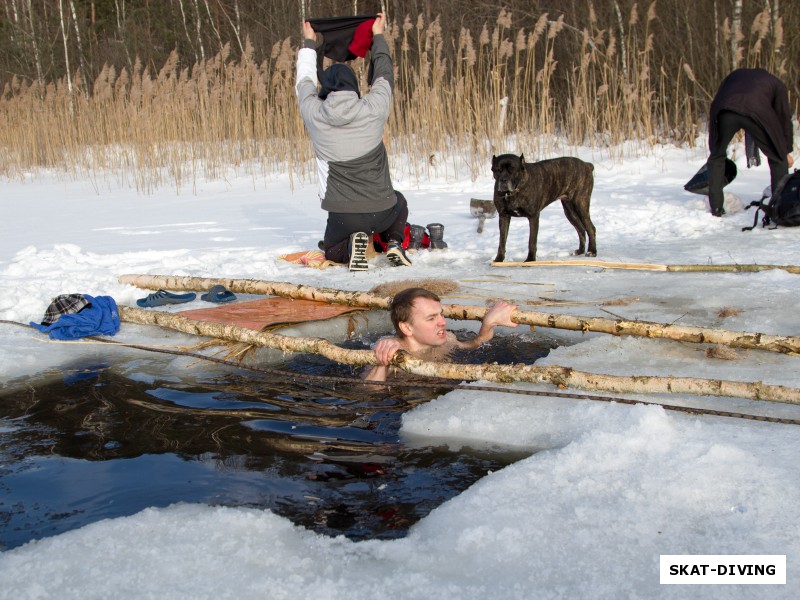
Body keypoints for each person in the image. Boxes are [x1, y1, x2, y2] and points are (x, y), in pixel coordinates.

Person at [296, 13, 412, 271]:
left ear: (324, 88)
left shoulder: (314, 115)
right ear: (355, 87)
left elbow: (303, 81)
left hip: (343, 216)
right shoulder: (373, 109)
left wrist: (309, 44)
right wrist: (378, 36)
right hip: (382, 210)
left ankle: (350, 247)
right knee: (400, 201)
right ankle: (394, 243)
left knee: (331, 249)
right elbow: (383, 74)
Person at [364, 287, 519, 382]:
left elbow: (475, 344)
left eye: (441, 314)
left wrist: (489, 323)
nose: (443, 322)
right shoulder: (396, 351)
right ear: (407, 328)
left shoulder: (448, 340)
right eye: (431, 318)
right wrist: (382, 361)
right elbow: (369, 392)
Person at [706, 68, 794, 217]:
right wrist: (785, 151)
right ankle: (779, 210)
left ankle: (716, 209)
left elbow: (718, 98)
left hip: (724, 110)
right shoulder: (776, 83)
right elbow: (783, 117)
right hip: (756, 111)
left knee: (717, 157)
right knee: (778, 159)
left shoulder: (733, 76)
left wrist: (714, 144)